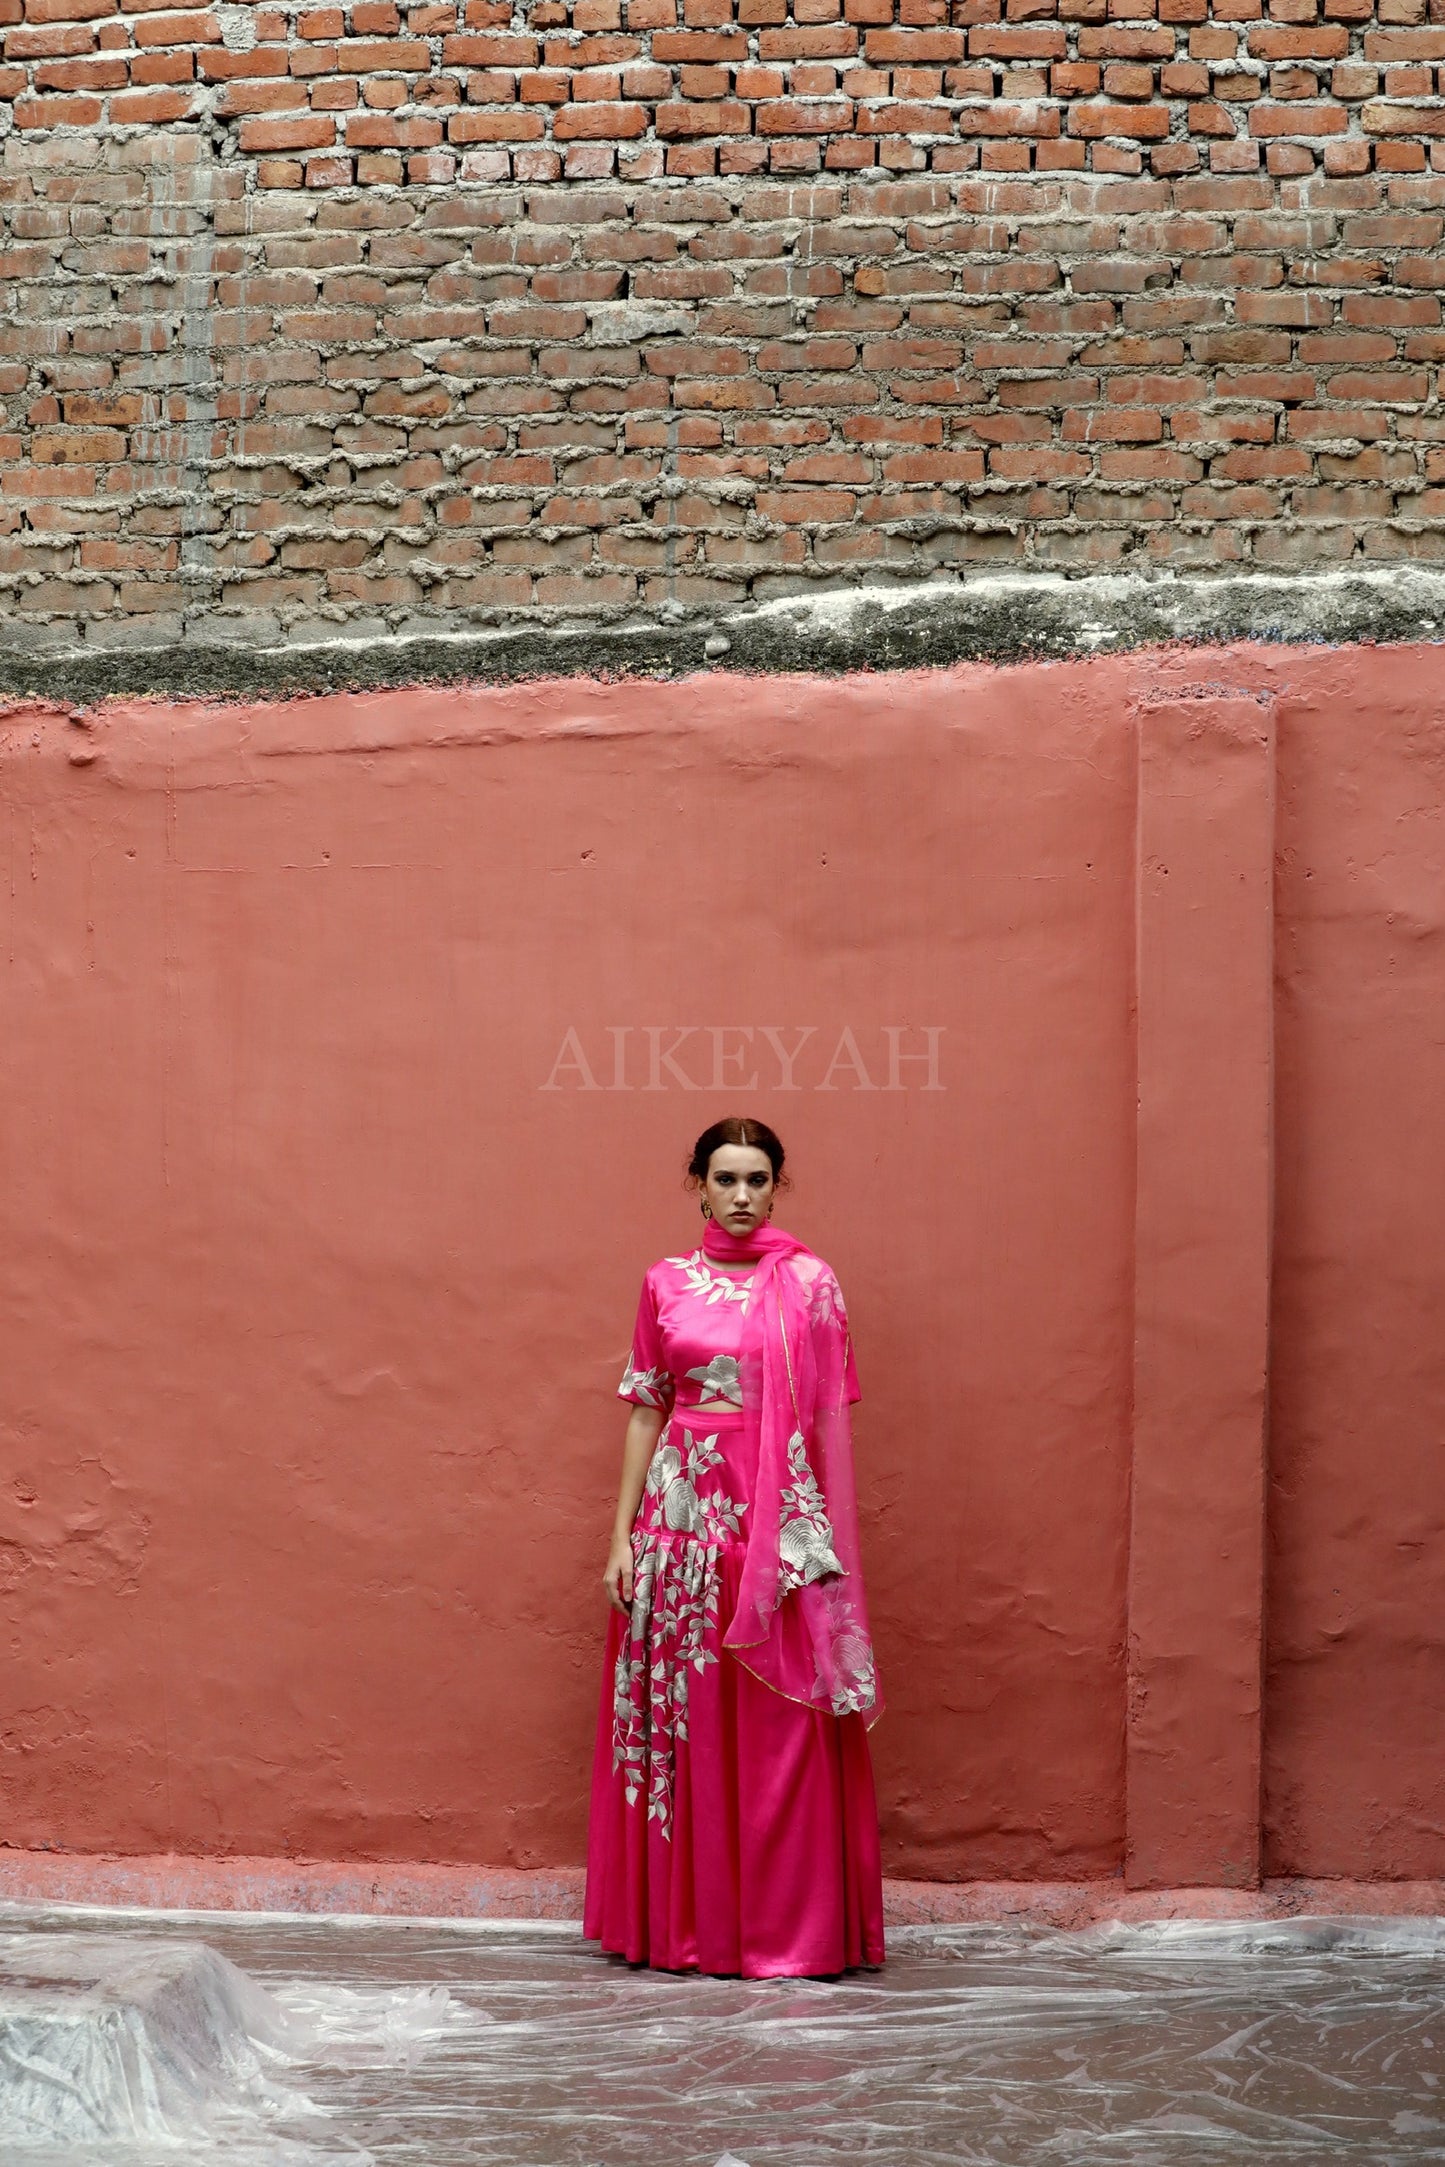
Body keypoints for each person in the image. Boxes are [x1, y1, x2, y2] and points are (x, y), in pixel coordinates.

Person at [583, 1116, 884, 1978]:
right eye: (726, 1179)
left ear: (777, 1185)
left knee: (777, 1718)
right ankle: (684, 1926)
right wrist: (621, 1538)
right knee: (689, 1718)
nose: (743, 1196)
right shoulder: (663, 1283)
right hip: (678, 1525)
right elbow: (647, 1406)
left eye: (758, 1179)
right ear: (698, 1185)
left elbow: (827, 1422)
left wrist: (807, 1538)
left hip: (772, 1522)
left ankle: (792, 1928)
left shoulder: (812, 1284)